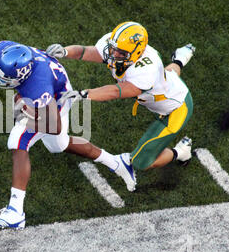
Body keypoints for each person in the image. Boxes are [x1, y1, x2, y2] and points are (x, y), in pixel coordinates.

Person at [0, 40, 129, 229]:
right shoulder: (5, 53)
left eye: (6, 78)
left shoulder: (37, 86)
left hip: (58, 100)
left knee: (17, 140)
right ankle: (116, 162)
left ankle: (15, 212)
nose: (0, 80)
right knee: (59, 145)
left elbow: (54, 126)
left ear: (23, 75)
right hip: (53, 84)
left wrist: (24, 114)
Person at [47, 21, 195, 191]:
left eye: (120, 52)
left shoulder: (147, 70)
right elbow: (88, 51)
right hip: (165, 86)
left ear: (137, 52)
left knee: (140, 162)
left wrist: (83, 94)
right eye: (113, 48)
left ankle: (181, 151)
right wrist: (65, 51)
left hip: (175, 108)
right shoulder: (117, 46)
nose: (113, 53)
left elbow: (116, 91)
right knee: (168, 76)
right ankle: (180, 58)